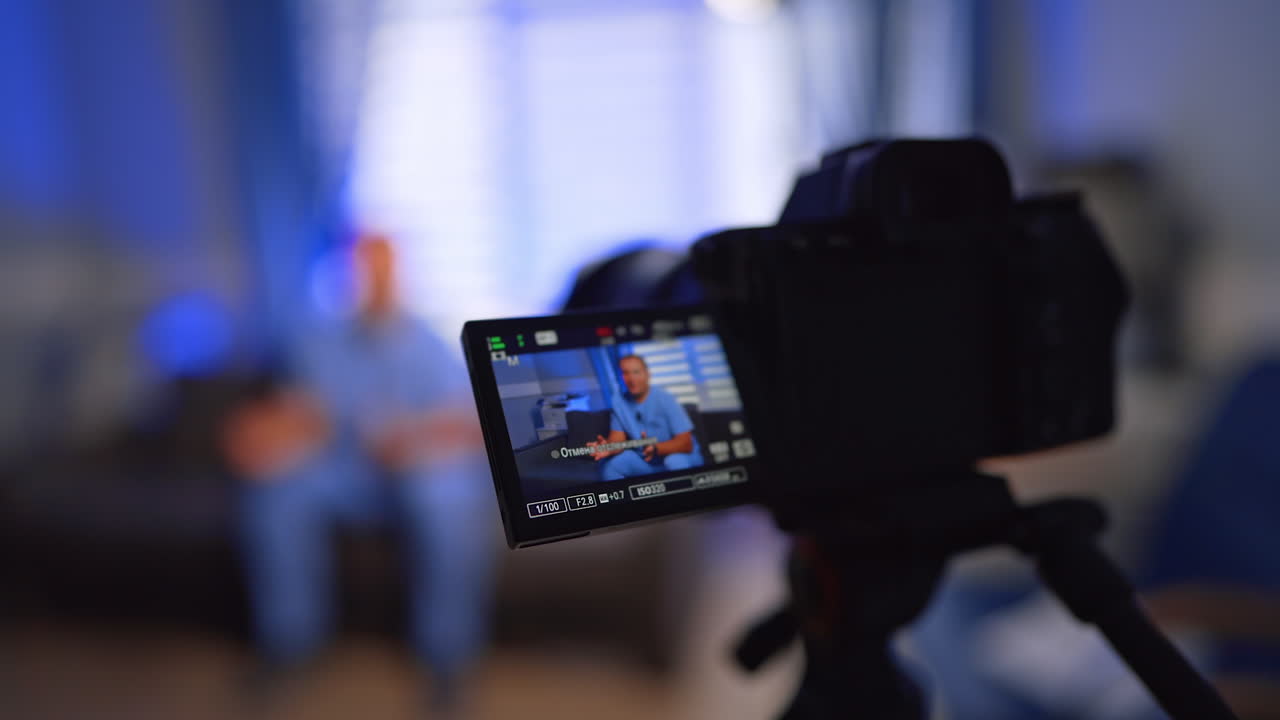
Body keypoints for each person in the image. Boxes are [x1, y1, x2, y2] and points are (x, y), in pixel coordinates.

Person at [221, 233, 493, 710]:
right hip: (343, 470)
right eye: (364, 271)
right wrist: (270, 435)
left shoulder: (431, 344)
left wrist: (411, 435)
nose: (373, 281)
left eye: (382, 271)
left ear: (399, 276)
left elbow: (469, 422)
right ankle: (289, 642)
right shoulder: (319, 344)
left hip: (415, 469)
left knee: (446, 500)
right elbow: (301, 415)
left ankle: (446, 656)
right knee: (278, 493)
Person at [586, 354, 702, 480]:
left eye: (636, 372)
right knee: (611, 465)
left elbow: (686, 443)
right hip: (647, 462)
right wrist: (608, 448)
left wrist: (656, 448)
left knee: (673, 461)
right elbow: (617, 440)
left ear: (647, 374)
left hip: (679, 457)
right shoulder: (618, 402)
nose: (631, 379)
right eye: (625, 373)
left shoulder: (665, 398)